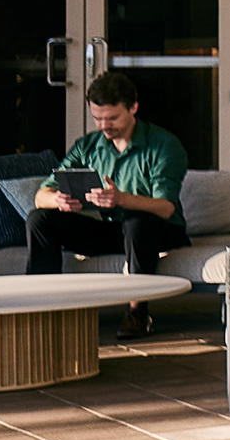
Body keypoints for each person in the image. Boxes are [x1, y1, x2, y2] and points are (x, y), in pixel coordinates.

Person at [27, 71, 191, 329]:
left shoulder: (164, 145)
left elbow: (166, 208)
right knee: (39, 219)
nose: (104, 125)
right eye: (97, 118)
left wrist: (121, 198)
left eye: (112, 118)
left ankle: (137, 313)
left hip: (157, 230)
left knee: (137, 223)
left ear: (133, 108)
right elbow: (40, 196)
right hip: (111, 230)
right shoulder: (88, 146)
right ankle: (41, 307)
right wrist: (58, 200)